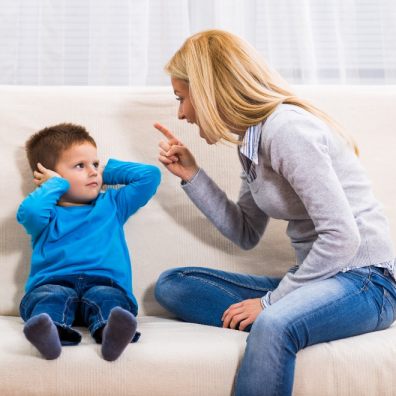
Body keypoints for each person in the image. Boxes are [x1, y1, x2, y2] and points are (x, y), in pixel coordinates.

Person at [153, 30, 396, 395]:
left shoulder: (287, 130)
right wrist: (193, 175)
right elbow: (246, 231)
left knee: (273, 324)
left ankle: (293, 320)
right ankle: (307, 316)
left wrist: (271, 304)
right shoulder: (251, 142)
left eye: (182, 98)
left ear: (208, 90)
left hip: (365, 282)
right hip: (316, 279)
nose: (181, 113)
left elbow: (344, 237)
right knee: (175, 284)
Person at [17, 123, 161, 361]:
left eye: (94, 163)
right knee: (49, 298)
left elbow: (149, 176)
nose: (92, 172)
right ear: (49, 177)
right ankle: (50, 335)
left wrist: (105, 171)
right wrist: (55, 185)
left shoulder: (113, 204)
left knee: (108, 298)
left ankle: (111, 334)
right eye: (79, 166)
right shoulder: (47, 215)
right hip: (54, 282)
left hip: (105, 283)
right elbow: (29, 212)